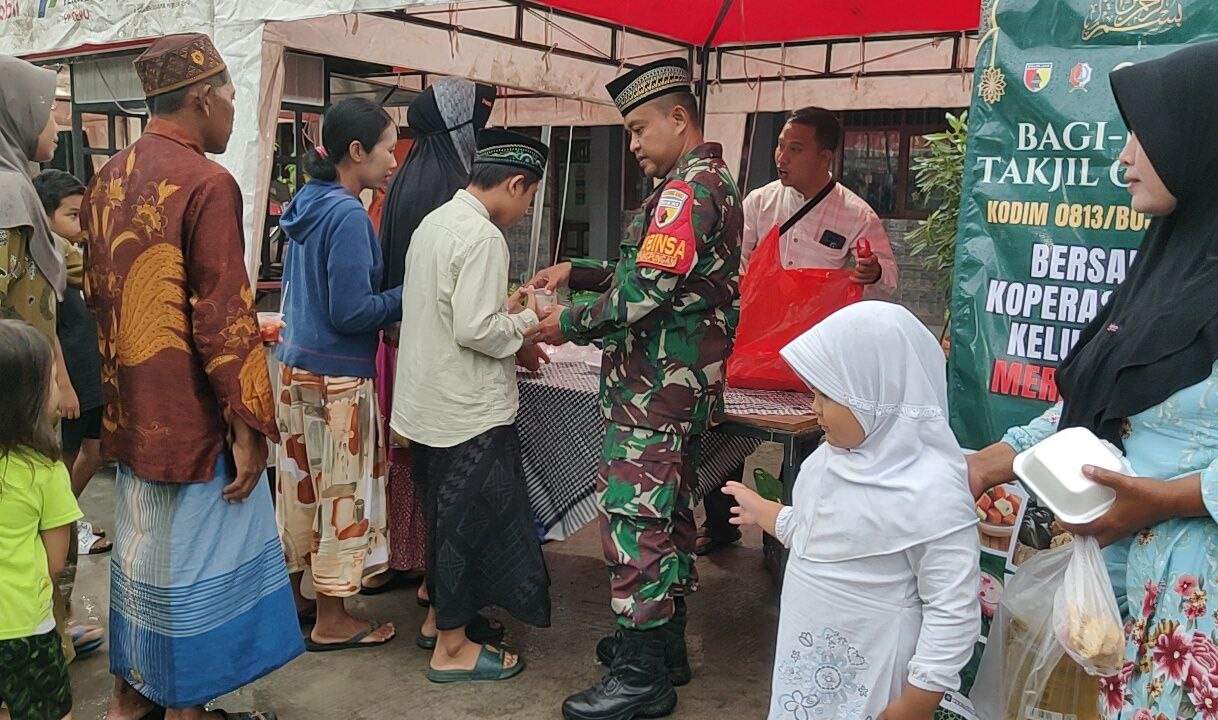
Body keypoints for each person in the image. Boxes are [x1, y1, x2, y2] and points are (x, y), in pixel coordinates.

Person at [967, 42, 1218, 720]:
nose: (1125, 158)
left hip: (1198, 612)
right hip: (1125, 601)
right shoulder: (1167, 267)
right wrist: (987, 464)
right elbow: (1104, 402)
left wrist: (1168, 499)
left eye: (1146, 135)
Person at [81, 34, 301, 720]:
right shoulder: (207, 182)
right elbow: (224, 317)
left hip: (133, 414)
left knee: (142, 562)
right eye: (231, 97)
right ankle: (187, 711)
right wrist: (249, 425)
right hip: (193, 422)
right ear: (203, 97)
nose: (234, 110)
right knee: (197, 572)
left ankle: (128, 699)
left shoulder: (108, 175)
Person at [528, 58, 743, 720]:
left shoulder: (689, 189)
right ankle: (662, 647)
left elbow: (645, 292)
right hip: (671, 390)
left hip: (653, 390)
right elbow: (644, 269)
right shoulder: (695, 183)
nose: (634, 144)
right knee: (669, 518)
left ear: (680, 120)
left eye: (640, 128)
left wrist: (566, 321)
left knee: (635, 525)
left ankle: (643, 676)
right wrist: (581, 272)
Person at [721, 302, 981, 720]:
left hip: (874, 663)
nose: (814, 408)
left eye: (828, 394)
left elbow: (952, 606)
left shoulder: (933, 491)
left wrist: (919, 698)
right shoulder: (830, 460)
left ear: (876, 393)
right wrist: (769, 514)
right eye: (814, 392)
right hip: (808, 653)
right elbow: (822, 536)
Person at [700, 106, 901, 555]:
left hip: (816, 359)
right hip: (753, 346)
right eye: (780, 146)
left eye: (796, 148)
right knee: (728, 435)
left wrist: (869, 271)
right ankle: (721, 522)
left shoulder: (855, 213)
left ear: (826, 156)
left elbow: (887, 275)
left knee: (808, 448)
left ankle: (791, 539)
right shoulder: (760, 202)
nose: (781, 156)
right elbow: (738, 263)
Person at [392, 127, 552, 682]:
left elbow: (446, 313)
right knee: (467, 525)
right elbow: (476, 329)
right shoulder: (484, 237)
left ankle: (441, 620)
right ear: (514, 183)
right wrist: (532, 321)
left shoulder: (434, 223)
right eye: (529, 196)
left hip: (429, 404)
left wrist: (503, 313)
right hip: (467, 410)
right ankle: (453, 650)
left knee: (445, 517)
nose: (525, 208)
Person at [274, 97, 402, 651]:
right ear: (357, 152)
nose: (395, 161)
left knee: (305, 490)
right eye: (388, 150)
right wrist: (408, 294)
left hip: (296, 367)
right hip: (339, 381)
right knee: (341, 497)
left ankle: (301, 599)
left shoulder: (309, 200)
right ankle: (333, 619)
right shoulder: (348, 213)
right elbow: (351, 311)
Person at [365, 77, 496, 597]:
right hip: (427, 343)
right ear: (457, 126)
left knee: (408, 453)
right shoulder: (446, 184)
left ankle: (403, 555)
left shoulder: (411, 174)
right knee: (431, 455)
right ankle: (425, 564)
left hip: (397, 340)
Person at [0, 320, 83, 720]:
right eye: (52, 380)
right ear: (29, 399)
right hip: (24, 629)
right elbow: (54, 563)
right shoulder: (46, 472)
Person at [33, 170, 110, 556]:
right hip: (72, 380)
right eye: (71, 215)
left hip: (89, 373)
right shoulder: (45, 263)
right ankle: (58, 525)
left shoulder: (75, 261)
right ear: (43, 217)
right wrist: (63, 384)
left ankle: (68, 516)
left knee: (93, 451)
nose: (81, 224)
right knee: (65, 456)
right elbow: (49, 332)